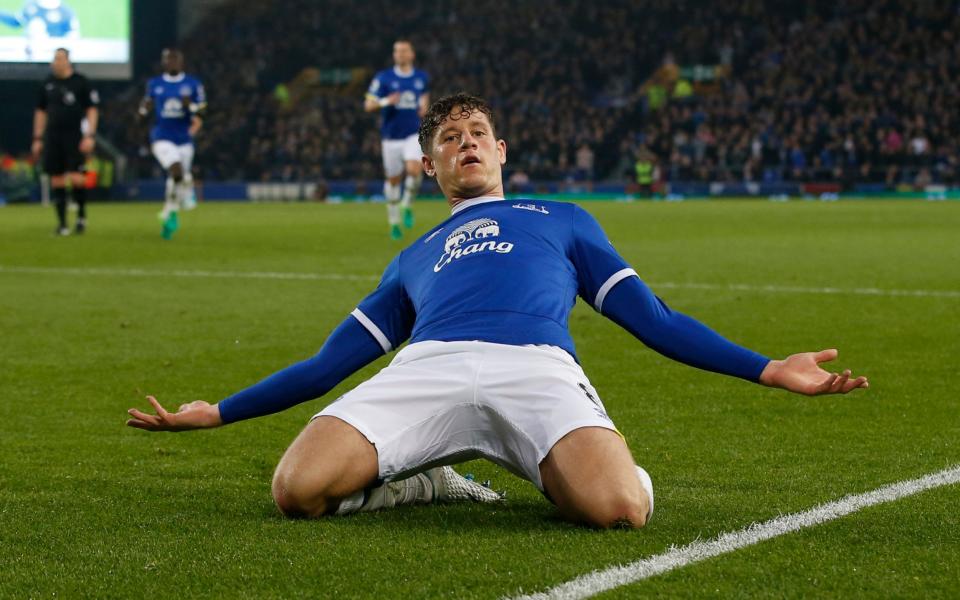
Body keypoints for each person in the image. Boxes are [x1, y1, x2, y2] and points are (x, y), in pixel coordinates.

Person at [127, 93, 869, 529]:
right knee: (295, 491)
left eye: (477, 133)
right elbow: (328, 365)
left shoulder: (564, 216)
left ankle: (578, 460)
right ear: (431, 167)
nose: (466, 143)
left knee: (620, 512)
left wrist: (769, 369)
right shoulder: (412, 257)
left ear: (501, 149)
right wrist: (219, 412)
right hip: (428, 368)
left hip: (537, 368)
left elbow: (656, 319)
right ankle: (423, 479)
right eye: (449, 139)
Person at [363, 39, 429, 240]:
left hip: (412, 133)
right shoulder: (383, 78)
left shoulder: (421, 77)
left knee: (415, 168)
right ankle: (394, 222)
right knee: (393, 181)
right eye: (396, 51)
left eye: (403, 51)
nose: (399, 54)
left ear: (412, 54)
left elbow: (424, 97)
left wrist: (424, 107)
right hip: (391, 137)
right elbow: (368, 105)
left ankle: (407, 204)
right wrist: (386, 101)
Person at [138, 48, 206, 240]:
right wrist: (144, 110)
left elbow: (202, 112)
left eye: (176, 59)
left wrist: (190, 107)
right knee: (176, 171)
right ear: (164, 62)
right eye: (169, 59)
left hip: (184, 139)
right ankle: (184, 192)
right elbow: (142, 113)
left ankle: (169, 214)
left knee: (176, 179)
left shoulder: (193, 84)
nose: (172, 63)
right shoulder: (155, 84)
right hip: (161, 137)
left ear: (181, 62)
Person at [32, 47, 98, 236]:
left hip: (74, 135)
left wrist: (90, 135)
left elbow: (92, 110)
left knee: (77, 178)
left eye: (60, 58)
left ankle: (81, 217)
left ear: (68, 60)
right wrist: (37, 137)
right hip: (52, 136)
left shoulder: (80, 82)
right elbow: (40, 112)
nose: (56, 62)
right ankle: (62, 224)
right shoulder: (47, 84)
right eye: (54, 59)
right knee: (57, 179)